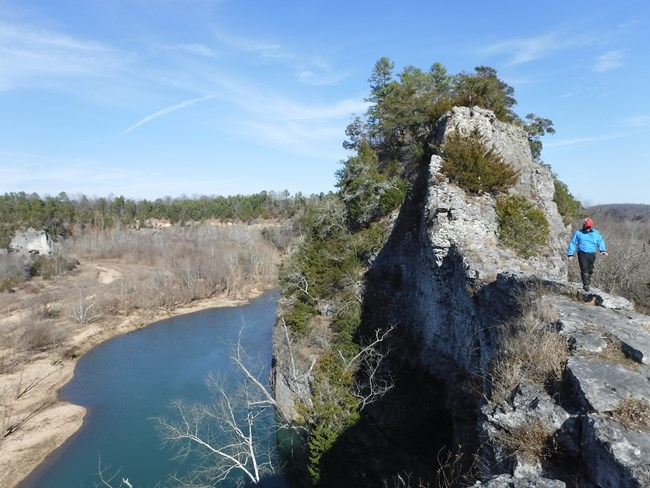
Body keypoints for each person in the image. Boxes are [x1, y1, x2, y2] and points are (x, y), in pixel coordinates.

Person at [566, 217, 608, 291]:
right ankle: (586, 284)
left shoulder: (595, 233)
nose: (588, 228)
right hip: (582, 253)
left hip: (592, 253)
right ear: (583, 225)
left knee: (590, 269)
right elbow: (573, 243)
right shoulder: (578, 233)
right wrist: (570, 254)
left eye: (589, 227)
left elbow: (600, 241)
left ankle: (588, 281)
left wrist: (602, 250)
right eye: (587, 226)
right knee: (584, 268)